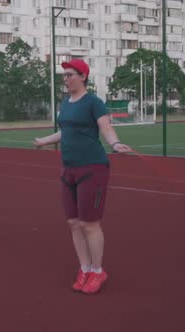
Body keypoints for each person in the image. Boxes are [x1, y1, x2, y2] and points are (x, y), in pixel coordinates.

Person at [34, 59, 131, 294]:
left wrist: (115, 143)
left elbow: (105, 127)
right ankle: (85, 268)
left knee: (90, 224)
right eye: (64, 75)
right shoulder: (65, 104)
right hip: (68, 170)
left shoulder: (94, 103)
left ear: (83, 77)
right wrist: (44, 141)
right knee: (73, 223)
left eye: (70, 75)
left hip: (92, 168)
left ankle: (98, 271)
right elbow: (66, 130)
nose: (65, 79)